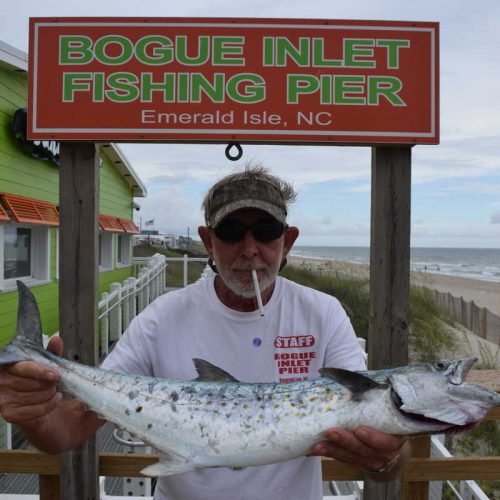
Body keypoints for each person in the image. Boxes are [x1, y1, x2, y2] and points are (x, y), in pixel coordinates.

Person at [0, 165, 408, 499]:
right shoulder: (163, 317)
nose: (250, 249)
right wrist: (36, 416)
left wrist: (385, 459)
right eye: (231, 232)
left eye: (266, 232)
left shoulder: (323, 313)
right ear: (207, 243)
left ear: (288, 241)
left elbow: (384, 467)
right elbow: (67, 431)